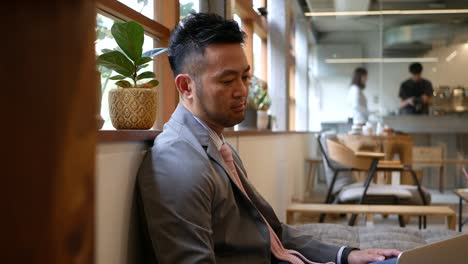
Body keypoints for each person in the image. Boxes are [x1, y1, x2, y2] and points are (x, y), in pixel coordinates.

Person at [137, 13, 400, 264]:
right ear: (186, 87)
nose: (242, 91)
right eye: (227, 81)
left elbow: (271, 231)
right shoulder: (177, 160)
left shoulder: (217, 146)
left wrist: (346, 255)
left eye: (245, 77)